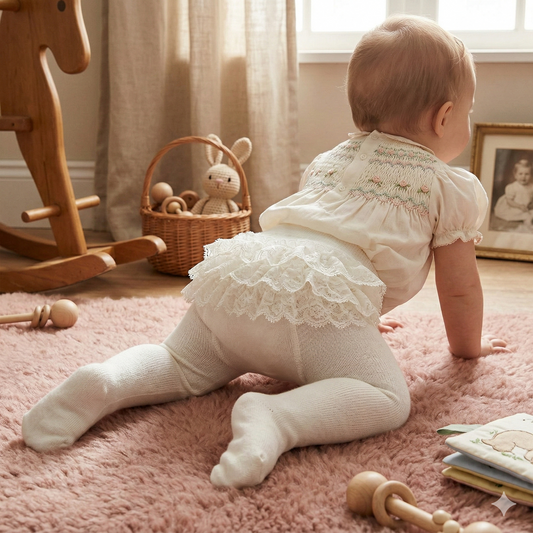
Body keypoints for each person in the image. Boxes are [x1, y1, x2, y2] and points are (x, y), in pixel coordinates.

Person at [22, 15, 508, 489]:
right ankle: (276, 416)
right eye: (464, 113)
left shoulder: (328, 162)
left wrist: (357, 314)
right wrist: (468, 347)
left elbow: (322, 239)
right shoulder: (449, 187)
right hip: (315, 309)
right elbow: (459, 287)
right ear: (445, 117)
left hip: (242, 280)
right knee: (385, 397)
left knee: (177, 360)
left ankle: (106, 380)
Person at [493, 158, 533, 227]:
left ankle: (527, 217)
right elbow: (509, 201)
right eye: (520, 174)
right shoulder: (512, 187)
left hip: (525, 207)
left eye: (527, 174)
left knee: (530, 212)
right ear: (515, 175)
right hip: (513, 206)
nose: (523, 177)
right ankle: (525, 218)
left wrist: (530, 205)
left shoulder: (531, 187)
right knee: (513, 213)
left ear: (531, 175)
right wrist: (519, 206)